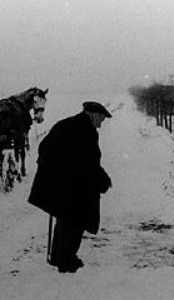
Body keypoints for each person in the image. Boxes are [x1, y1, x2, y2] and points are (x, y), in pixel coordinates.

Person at [28, 101, 113, 273]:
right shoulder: (85, 130)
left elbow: (44, 148)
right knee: (76, 221)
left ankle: (59, 257)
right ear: (94, 115)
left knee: (65, 219)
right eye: (101, 120)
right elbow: (88, 162)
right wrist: (101, 180)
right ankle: (66, 261)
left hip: (62, 183)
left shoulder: (68, 123)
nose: (101, 124)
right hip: (71, 185)